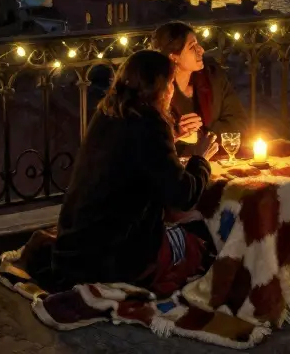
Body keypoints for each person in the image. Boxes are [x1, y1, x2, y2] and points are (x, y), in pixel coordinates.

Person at [50, 50, 220, 294]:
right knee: (202, 237)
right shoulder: (150, 123)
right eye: (171, 83)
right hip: (113, 258)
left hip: (74, 250)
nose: (173, 90)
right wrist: (200, 159)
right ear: (160, 87)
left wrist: (172, 137)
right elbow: (183, 195)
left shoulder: (108, 112)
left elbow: (132, 152)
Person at [151, 22, 248, 145]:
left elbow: (239, 124)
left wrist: (202, 136)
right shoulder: (158, 92)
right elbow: (154, 141)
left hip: (221, 157)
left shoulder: (213, 78)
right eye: (192, 47)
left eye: (198, 44)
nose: (201, 50)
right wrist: (178, 134)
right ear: (174, 56)